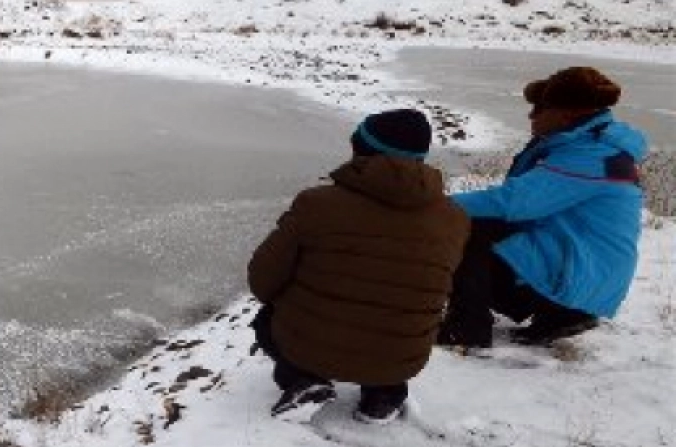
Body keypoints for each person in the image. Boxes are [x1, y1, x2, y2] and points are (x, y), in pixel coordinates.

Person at [248, 108, 469, 423]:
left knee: (266, 319)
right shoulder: (454, 218)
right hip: (402, 356)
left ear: (363, 152)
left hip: (312, 346)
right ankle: (385, 396)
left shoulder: (318, 204)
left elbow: (263, 280)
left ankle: (303, 380)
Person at [438, 66, 647, 349]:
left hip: (580, 277)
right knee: (484, 225)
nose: (531, 115)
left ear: (567, 114)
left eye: (539, 108)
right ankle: (559, 315)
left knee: (467, 228)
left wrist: (434, 204)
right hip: (586, 271)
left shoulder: (591, 155)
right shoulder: (592, 145)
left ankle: (466, 330)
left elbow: (512, 202)